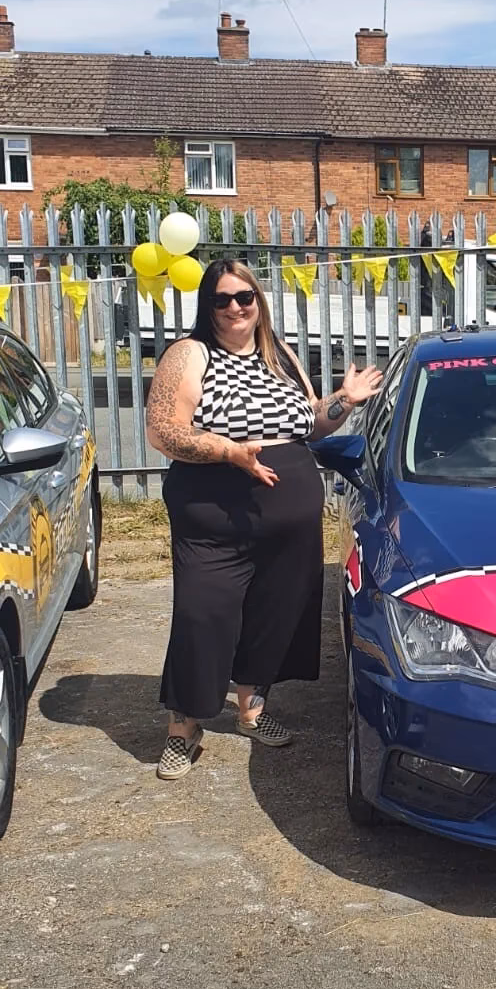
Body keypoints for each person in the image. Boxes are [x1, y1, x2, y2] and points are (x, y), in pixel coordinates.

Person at [145, 258, 382, 780]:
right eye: (222, 299)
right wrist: (228, 452)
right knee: (202, 614)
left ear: (259, 301)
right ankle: (183, 729)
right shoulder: (190, 354)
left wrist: (344, 401)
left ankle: (251, 710)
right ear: (208, 306)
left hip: (289, 517)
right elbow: (163, 431)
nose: (235, 308)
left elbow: (310, 425)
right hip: (214, 511)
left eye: (244, 297)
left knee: (274, 613)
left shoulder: (280, 354)